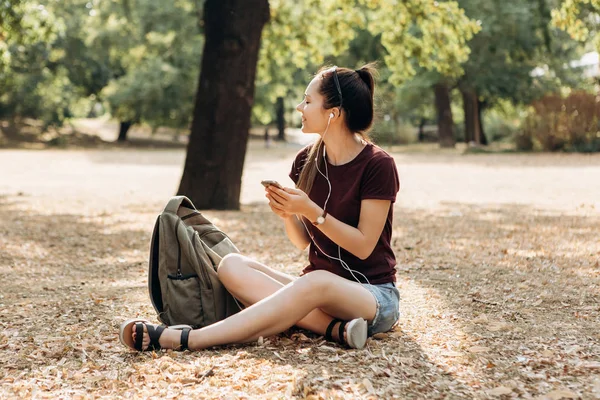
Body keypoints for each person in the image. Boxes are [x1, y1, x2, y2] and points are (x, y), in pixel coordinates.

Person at [119, 63, 400, 352]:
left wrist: (312, 211)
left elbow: (364, 246)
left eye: (307, 100)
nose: (298, 106)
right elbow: (302, 241)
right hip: (317, 292)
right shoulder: (306, 160)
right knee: (231, 265)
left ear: (333, 113)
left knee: (315, 282)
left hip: (372, 295)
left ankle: (188, 339)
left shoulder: (378, 165)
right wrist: (290, 214)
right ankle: (337, 330)